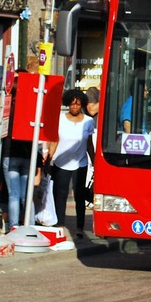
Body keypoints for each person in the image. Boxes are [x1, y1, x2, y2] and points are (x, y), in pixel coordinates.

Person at [0, 69, 42, 232]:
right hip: (27, 155)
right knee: (26, 195)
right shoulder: (30, 108)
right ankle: (31, 227)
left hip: (9, 153)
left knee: (13, 194)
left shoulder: (6, 110)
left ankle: (14, 226)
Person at [47, 89, 94, 236]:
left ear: (82, 105)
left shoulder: (88, 121)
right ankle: (59, 223)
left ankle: (80, 227)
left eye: (78, 104)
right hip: (61, 161)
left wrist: (95, 161)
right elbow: (55, 140)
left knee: (80, 195)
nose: (74, 107)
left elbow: (89, 144)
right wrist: (49, 158)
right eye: (72, 104)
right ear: (68, 104)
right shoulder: (60, 119)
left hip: (80, 162)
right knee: (60, 194)